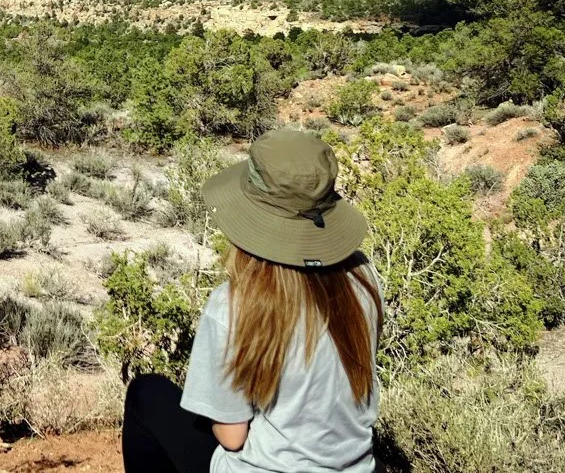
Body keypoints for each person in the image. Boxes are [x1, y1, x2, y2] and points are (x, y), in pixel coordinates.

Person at [122, 128, 384, 473]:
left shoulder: (234, 304)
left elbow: (232, 438)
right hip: (356, 467)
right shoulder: (363, 276)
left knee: (146, 394)